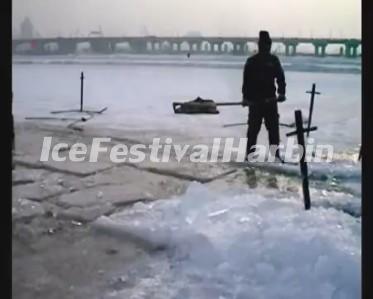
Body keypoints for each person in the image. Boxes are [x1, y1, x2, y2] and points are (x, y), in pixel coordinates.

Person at [242, 30, 286, 162]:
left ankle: (276, 156)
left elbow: (280, 78)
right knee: (253, 130)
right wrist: (245, 98)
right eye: (263, 45)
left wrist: (282, 93)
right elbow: (246, 82)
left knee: (273, 130)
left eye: (267, 44)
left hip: (270, 101)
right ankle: (249, 156)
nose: (266, 47)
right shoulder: (251, 61)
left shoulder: (273, 60)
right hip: (255, 102)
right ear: (260, 45)